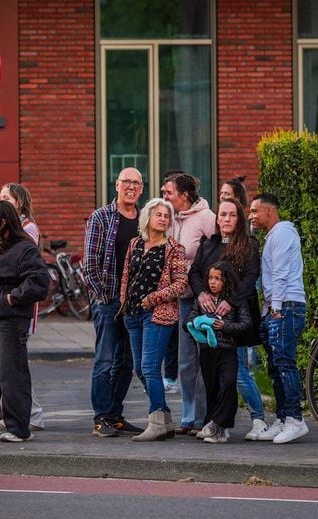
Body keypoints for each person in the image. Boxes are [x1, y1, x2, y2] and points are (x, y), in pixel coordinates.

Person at [0, 200, 50, 442]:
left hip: (12, 317)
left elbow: (39, 282)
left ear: (3, 222)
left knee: (11, 372)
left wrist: (12, 298)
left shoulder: (25, 248)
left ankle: (18, 428)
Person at [189, 199, 266, 438]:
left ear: (239, 219)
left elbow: (251, 277)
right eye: (223, 214)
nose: (227, 219)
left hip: (236, 318)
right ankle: (216, 424)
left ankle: (258, 418)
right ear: (217, 218)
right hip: (208, 318)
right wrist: (201, 293)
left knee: (237, 374)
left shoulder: (248, 245)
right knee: (211, 376)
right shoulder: (208, 244)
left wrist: (230, 301)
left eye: (232, 215)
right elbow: (194, 272)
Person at [119, 197, 189, 442]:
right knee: (140, 368)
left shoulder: (174, 249)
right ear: (147, 217)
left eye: (167, 215)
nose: (163, 218)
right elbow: (127, 275)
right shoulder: (135, 244)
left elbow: (181, 284)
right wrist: (124, 304)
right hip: (133, 314)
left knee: (150, 367)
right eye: (158, 214)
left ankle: (156, 420)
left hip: (158, 315)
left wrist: (154, 298)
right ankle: (166, 419)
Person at [83, 168, 146, 438]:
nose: (131, 187)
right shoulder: (101, 217)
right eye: (126, 182)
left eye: (136, 183)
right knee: (105, 360)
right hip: (108, 301)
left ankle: (115, 413)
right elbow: (89, 264)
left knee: (127, 362)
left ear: (141, 188)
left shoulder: (145, 219)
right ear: (117, 185)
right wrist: (103, 296)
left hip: (134, 304)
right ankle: (101, 418)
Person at [249, 193, 309, 444]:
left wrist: (275, 308)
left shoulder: (283, 233)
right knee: (275, 366)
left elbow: (282, 272)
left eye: (255, 211)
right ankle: (284, 417)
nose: (251, 216)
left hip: (286, 306)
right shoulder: (272, 236)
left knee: (284, 363)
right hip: (276, 307)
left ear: (270, 211)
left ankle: (296, 419)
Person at [161, 172, 217, 435]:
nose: (164, 197)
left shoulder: (206, 218)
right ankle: (187, 414)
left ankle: (203, 416)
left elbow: (218, 253)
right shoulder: (169, 219)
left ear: (184, 195)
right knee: (185, 361)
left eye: (168, 192)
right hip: (181, 300)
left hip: (202, 298)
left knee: (204, 355)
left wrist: (210, 288)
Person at [185, 261, 254, 444]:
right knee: (212, 388)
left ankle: (216, 423)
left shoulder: (235, 301)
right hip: (207, 351)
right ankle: (218, 429)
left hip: (227, 349)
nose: (212, 282)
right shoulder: (202, 300)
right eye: (210, 278)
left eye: (218, 279)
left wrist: (225, 326)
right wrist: (197, 321)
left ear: (227, 280)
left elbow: (246, 325)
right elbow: (188, 321)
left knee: (229, 384)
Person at [0, 181, 46, 429]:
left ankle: (31, 414)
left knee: (15, 363)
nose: (1, 201)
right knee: (12, 362)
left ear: (19, 202)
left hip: (19, 305)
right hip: (5, 304)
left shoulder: (27, 229)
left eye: (6, 198)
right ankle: (27, 412)